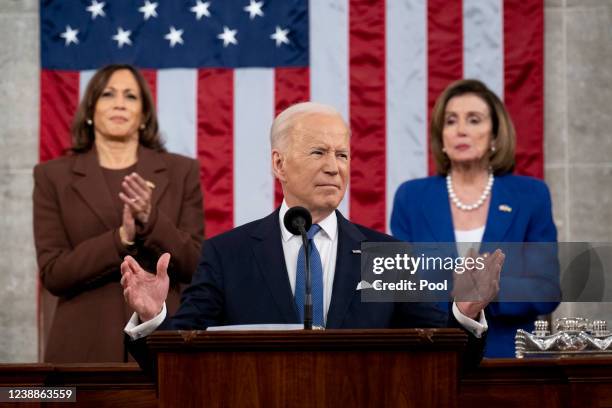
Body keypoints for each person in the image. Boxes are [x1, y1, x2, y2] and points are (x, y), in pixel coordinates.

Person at [121, 102, 503, 371]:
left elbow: (439, 357)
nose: (334, 168)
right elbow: (175, 362)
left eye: (343, 155)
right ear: (278, 163)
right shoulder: (228, 255)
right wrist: (153, 317)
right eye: (319, 152)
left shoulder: (385, 253)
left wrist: (464, 314)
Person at [33, 64, 204, 362]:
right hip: (83, 349)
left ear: (144, 115)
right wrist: (121, 239)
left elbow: (195, 264)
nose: (120, 103)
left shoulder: (182, 171)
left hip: (164, 345)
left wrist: (151, 222)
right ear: (90, 110)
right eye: (108, 94)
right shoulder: (53, 177)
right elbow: (54, 274)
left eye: (131, 96)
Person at [390, 79, 560, 358]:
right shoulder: (411, 197)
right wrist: (461, 296)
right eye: (451, 121)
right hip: (433, 354)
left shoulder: (530, 195)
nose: (461, 130)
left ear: (495, 135)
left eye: (474, 120)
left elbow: (547, 288)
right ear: (441, 136)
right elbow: (400, 287)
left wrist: (484, 291)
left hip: (510, 358)